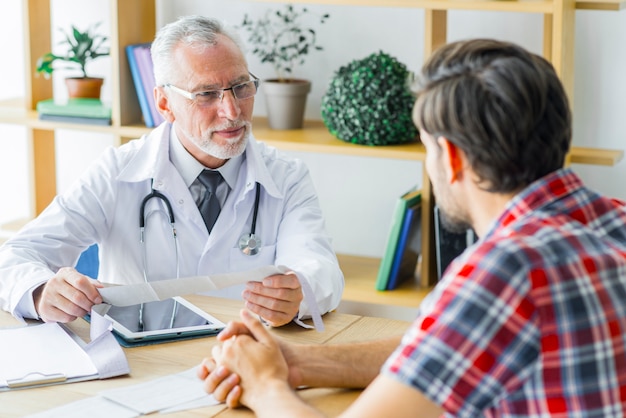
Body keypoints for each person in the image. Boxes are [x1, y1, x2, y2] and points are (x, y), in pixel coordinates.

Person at [198, 38, 626, 417]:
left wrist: (265, 386)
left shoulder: (503, 270)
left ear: (452, 158)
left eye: (426, 147)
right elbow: (442, 346)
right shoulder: (612, 219)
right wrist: (297, 364)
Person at [0, 15, 344, 328]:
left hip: (247, 359)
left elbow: (320, 265)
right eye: (207, 94)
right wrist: (41, 291)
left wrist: (299, 291)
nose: (232, 110)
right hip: (142, 363)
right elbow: (14, 257)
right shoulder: (116, 172)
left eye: (241, 87)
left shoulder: (287, 176)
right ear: (164, 104)